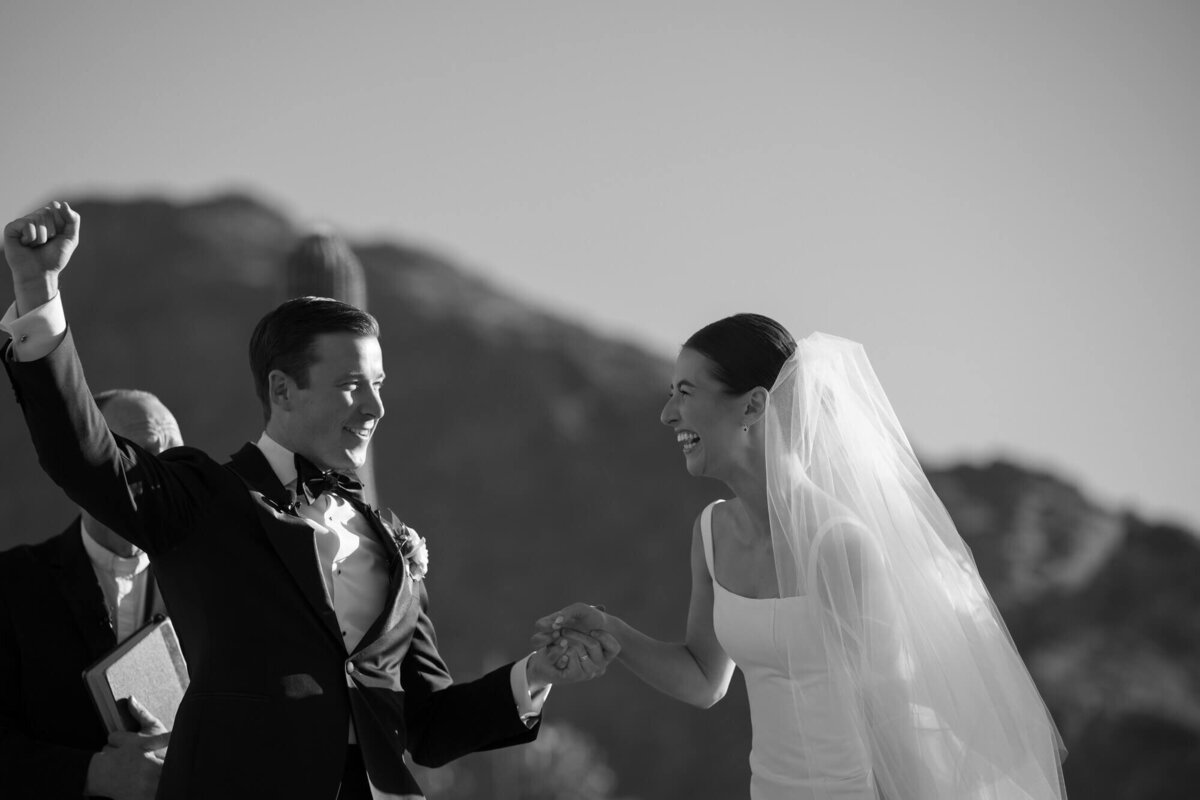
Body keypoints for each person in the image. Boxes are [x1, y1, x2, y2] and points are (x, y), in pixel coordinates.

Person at [1, 201, 618, 800]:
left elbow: (427, 726)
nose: (375, 409)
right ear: (282, 390)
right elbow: (83, 456)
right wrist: (39, 291)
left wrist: (537, 674)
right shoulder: (206, 501)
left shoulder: (389, 542)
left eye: (378, 386)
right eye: (352, 386)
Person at [537, 314, 1068, 799]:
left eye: (686, 392)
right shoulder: (711, 533)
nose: (667, 413)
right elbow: (704, 679)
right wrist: (613, 632)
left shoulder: (841, 546)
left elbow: (893, 725)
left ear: (753, 404)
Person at [0, 389, 181, 800]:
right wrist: (92, 773)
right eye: (141, 456)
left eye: (175, 461)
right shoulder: (13, 585)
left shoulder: (214, 586)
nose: (162, 478)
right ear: (81, 468)